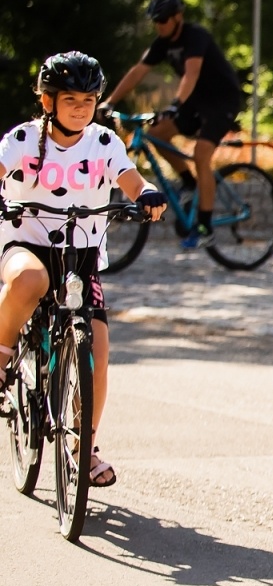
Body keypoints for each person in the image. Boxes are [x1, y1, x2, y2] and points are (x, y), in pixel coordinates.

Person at [0, 53, 165, 488]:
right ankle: (1, 354)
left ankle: (83, 447)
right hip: (26, 245)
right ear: (48, 101)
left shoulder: (104, 142)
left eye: (88, 100)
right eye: (70, 99)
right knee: (29, 280)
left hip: (81, 256)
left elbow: (131, 179)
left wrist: (147, 194)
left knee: (98, 351)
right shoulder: (22, 139)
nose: (80, 108)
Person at [102, 0, 242, 249]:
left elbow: (192, 73)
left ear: (178, 17)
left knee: (201, 155)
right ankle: (189, 183)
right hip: (196, 102)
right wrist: (109, 102)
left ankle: (205, 227)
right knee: (156, 134)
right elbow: (137, 72)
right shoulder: (162, 43)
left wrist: (176, 104)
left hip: (222, 101)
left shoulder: (196, 36)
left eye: (163, 19)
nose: (159, 25)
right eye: (156, 20)